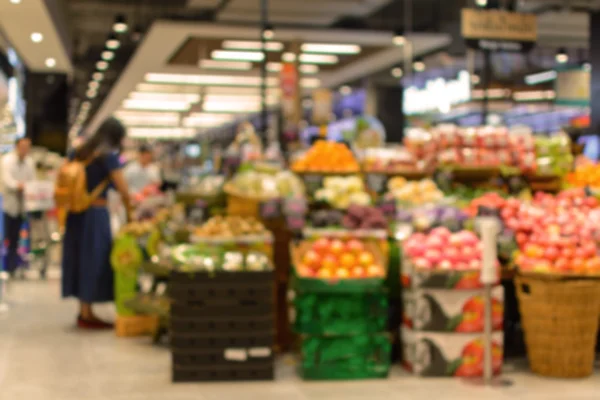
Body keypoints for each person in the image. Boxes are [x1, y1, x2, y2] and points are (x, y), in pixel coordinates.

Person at [62, 118, 131, 329]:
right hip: (95, 213)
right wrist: (131, 210)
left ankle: (84, 310)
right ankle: (86, 314)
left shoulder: (79, 151)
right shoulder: (108, 156)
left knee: (79, 258)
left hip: (75, 214)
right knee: (95, 259)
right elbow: (123, 188)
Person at [1, 137, 35, 276]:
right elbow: (7, 180)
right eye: (23, 146)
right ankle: (7, 266)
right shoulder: (7, 160)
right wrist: (19, 186)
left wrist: (27, 187)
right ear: (17, 147)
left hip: (24, 205)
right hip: (9, 205)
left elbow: (32, 181)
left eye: (27, 147)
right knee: (8, 236)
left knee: (20, 237)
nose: (25, 150)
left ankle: (15, 266)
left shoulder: (30, 162)